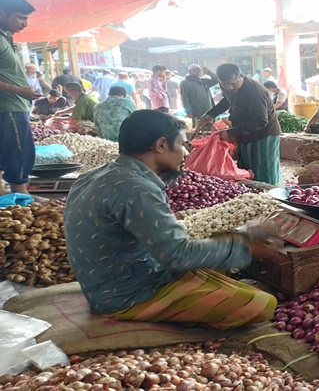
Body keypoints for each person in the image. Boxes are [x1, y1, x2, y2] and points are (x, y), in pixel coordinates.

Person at [63, 110, 278, 329]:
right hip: (129, 296)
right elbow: (178, 256)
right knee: (261, 303)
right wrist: (246, 249)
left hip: (107, 284)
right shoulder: (137, 189)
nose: (185, 153)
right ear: (161, 145)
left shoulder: (96, 175)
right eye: (183, 144)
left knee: (219, 262)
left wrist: (232, 242)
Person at [198, 63, 282, 185]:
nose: (229, 88)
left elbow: (260, 121)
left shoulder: (255, 92)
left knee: (264, 171)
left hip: (264, 134)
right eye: (225, 85)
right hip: (245, 131)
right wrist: (211, 114)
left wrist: (230, 132)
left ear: (241, 76)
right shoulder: (227, 86)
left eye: (233, 84)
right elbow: (227, 100)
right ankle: (250, 195)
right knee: (247, 168)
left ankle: (270, 195)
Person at [0, 0, 41, 195]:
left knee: (7, 150)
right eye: (20, 17)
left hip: (12, 105)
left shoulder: (5, 37)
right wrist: (20, 90)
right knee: (19, 151)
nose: (24, 24)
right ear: (1, 13)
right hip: (9, 106)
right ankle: (21, 194)